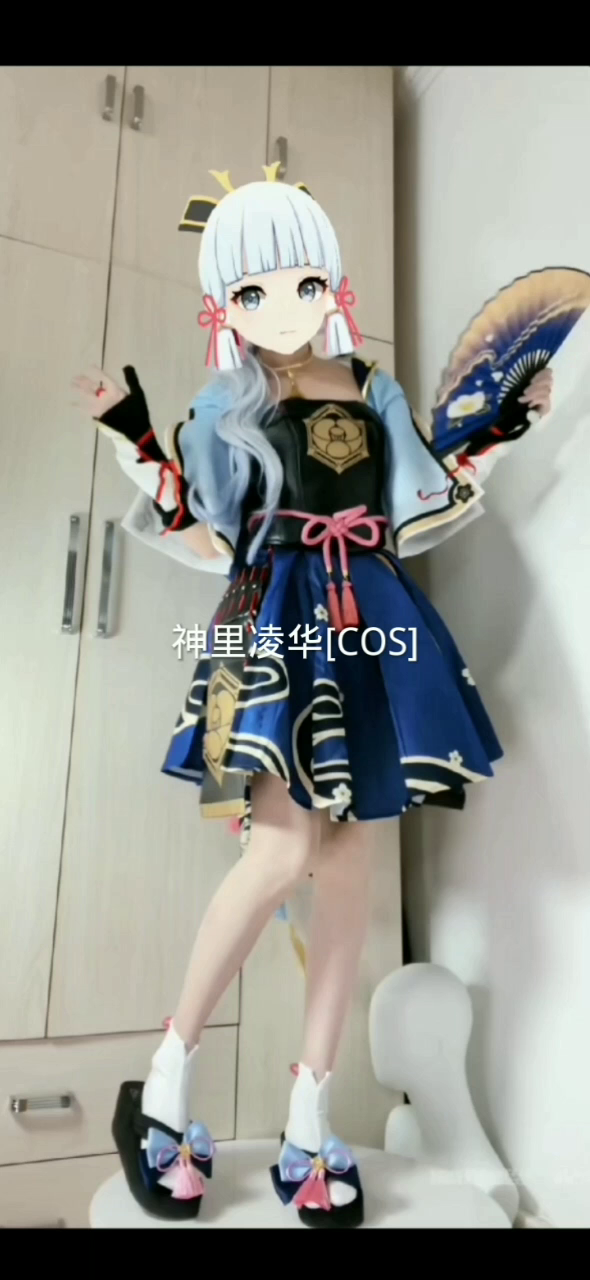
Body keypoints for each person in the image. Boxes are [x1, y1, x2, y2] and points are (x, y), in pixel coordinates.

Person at [74, 164, 567, 1227]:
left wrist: (502, 426)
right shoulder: (229, 399)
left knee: (347, 867)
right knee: (280, 851)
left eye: (301, 281)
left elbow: (420, 496)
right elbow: (205, 520)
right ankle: (164, 1081)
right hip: (273, 611)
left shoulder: (373, 386)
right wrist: (137, 437)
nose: (283, 307)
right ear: (225, 304)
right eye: (253, 291)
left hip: (370, 611)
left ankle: (310, 1113)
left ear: (330, 280)